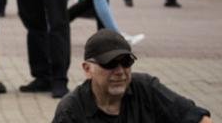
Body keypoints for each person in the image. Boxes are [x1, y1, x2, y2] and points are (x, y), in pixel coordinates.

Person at [52, 29, 212, 123]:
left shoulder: (146, 88)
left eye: (126, 62)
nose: (120, 71)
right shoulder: (71, 111)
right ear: (88, 69)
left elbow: (198, 117)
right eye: (110, 63)